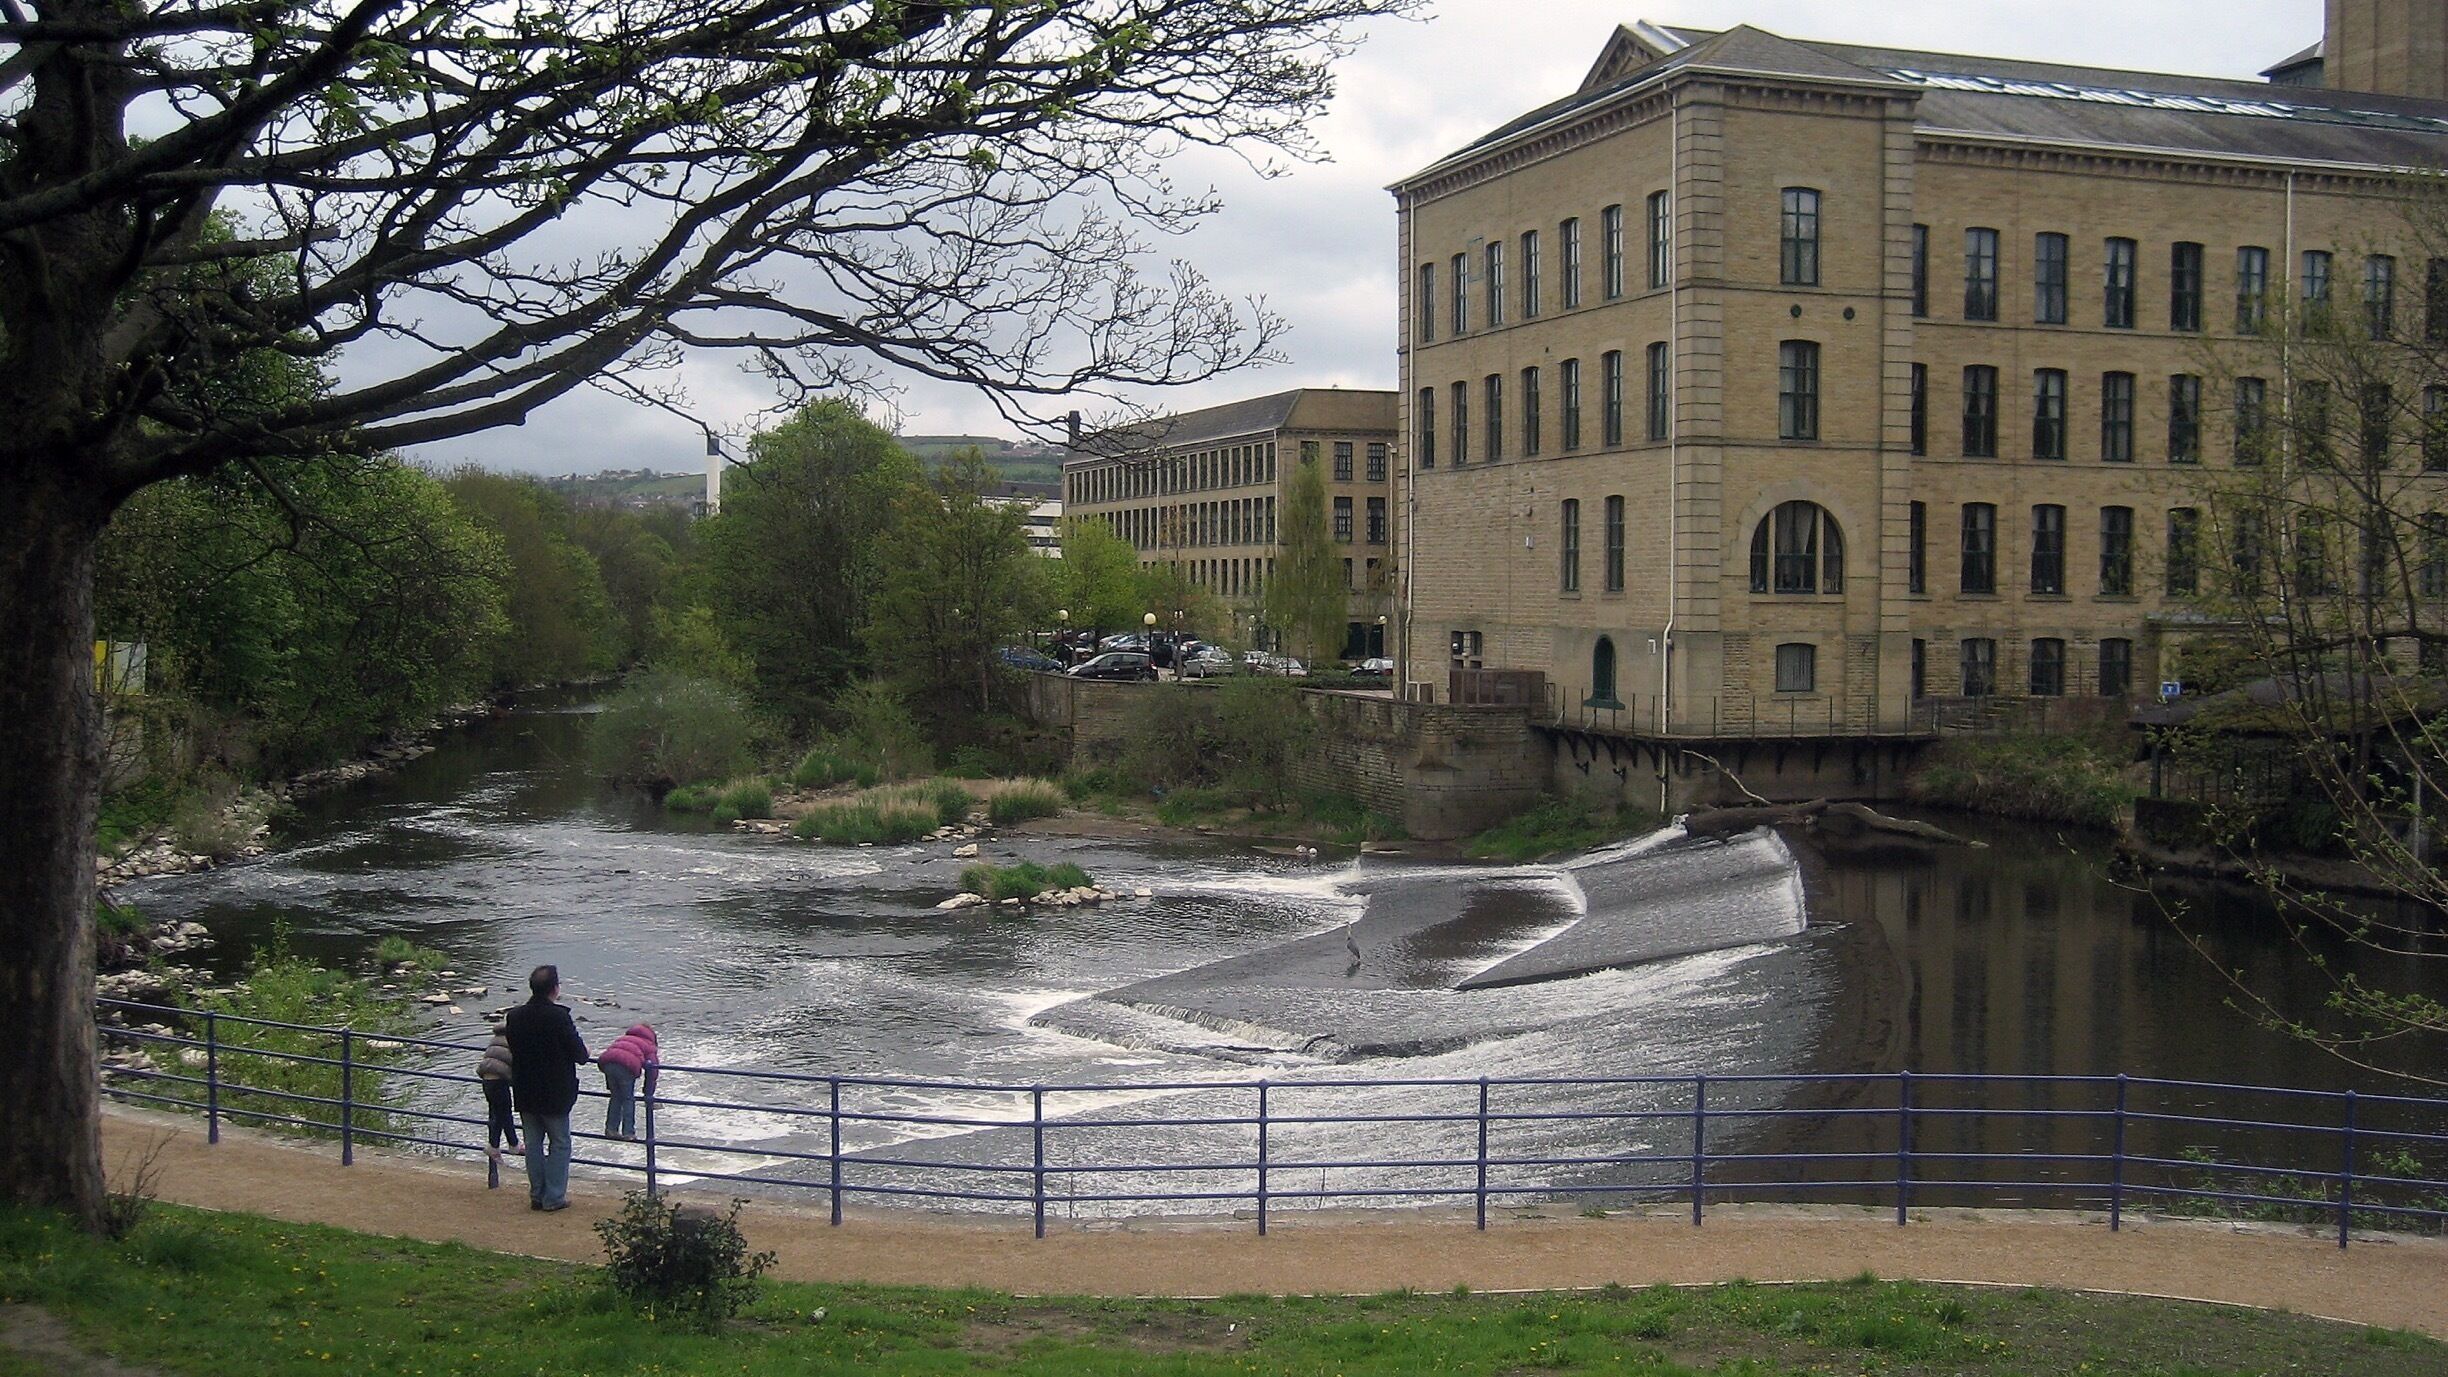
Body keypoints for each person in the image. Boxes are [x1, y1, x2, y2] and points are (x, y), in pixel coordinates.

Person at [504, 964, 590, 1212]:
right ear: (554, 988)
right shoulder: (559, 1016)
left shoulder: (515, 1016)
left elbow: (514, 1047)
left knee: (533, 1144)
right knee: (560, 1143)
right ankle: (554, 1197)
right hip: (555, 1093)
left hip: (525, 1089)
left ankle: (537, 1194)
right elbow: (579, 1054)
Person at [596, 1023, 659, 1141]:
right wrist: (648, 1093)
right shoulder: (649, 1045)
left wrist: (610, 1086)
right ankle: (628, 1132)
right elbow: (653, 1070)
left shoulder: (623, 1038)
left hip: (607, 1063)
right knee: (628, 1099)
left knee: (615, 1097)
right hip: (626, 1066)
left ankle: (611, 1129)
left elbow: (613, 1053)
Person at [474, 1023, 520, 1173]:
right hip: (499, 1082)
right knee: (504, 1114)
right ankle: (502, 1146)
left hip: (488, 1081)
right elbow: (517, 1062)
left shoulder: (494, 1042)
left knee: (498, 1114)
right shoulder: (511, 1043)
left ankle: (507, 1145)